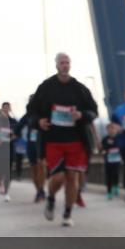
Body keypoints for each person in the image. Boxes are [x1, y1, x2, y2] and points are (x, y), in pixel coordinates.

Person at [29, 53, 99, 226]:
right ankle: (51, 197)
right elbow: (31, 111)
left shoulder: (80, 89)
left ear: (70, 65)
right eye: (62, 62)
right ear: (56, 65)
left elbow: (93, 111)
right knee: (59, 178)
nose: (65, 65)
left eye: (67, 62)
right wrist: (38, 122)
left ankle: (67, 214)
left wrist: (82, 115)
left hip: (76, 141)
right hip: (53, 140)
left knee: (72, 178)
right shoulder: (46, 87)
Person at [22, 94, 47, 203]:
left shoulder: (44, 115)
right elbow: (16, 127)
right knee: (34, 169)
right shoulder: (27, 116)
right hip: (31, 145)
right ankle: (39, 191)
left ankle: (41, 190)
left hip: (41, 144)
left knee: (41, 167)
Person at [101, 122, 122, 199]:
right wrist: (105, 148)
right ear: (107, 130)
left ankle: (116, 186)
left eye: (113, 128)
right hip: (108, 160)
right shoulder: (105, 139)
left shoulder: (119, 138)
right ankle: (109, 192)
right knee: (108, 176)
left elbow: (122, 147)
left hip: (117, 159)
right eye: (109, 128)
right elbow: (102, 148)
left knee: (115, 174)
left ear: (116, 130)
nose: (111, 130)